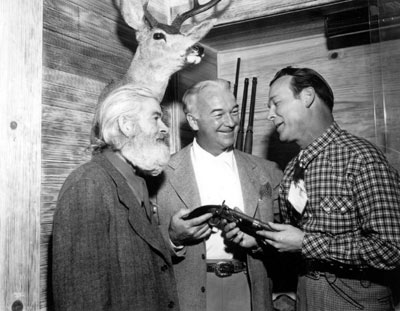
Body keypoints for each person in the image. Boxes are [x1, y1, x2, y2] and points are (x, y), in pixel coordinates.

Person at [225, 66, 400, 311]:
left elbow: (392, 249)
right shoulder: (292, 171)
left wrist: (305, 243)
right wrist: (258, 241)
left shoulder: (361, 159)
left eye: (276, 103)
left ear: (307, 97)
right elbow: (294, 246)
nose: (270, 115)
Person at [154, 79, 283, 311]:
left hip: (251, 292)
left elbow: (290, 246)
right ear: (193, 121)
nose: (231, 122)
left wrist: (259, 240)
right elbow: (142, 251)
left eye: (234, 111)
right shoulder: (159, 174)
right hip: (188, 297)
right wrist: (173, 238)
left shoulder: (269, 172)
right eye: (218, 114)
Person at [52, 85, 180, 311]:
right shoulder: (88, 185)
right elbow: (82, 302)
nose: (165, 129)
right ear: (126, 125)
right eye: (155, 118)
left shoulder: (137, 182)